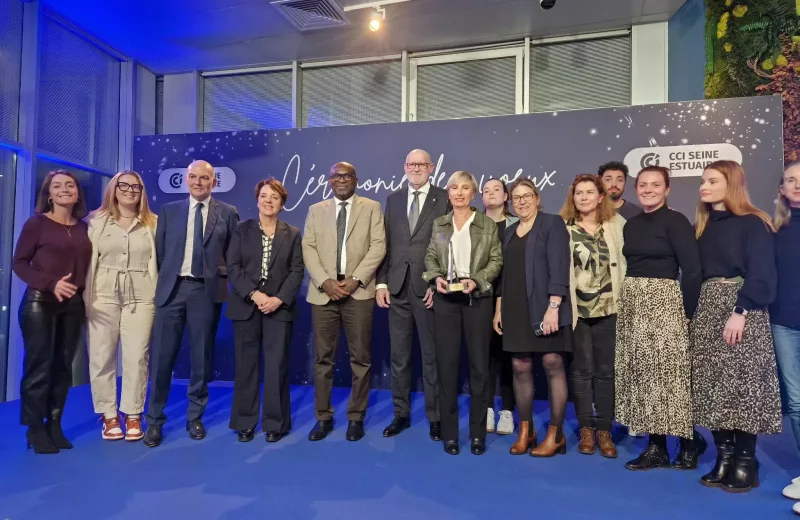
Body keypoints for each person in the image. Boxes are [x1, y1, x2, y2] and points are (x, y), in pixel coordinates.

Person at [692, 160, 781, 492]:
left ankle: (746, 462)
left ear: (730, 184)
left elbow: (762, 271)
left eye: (712, 180)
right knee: (713, 385)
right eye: (703, 180)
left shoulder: (753, 223)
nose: (703, 186)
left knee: (742, 388)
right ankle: (724, 457)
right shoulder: (702, 227)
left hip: (743, 309)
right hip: (707, 308)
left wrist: (740, 310)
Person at [143, 160, 240, 447]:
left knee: (201, 358)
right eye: (193, 177)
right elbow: (159, 253)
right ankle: (155, 421)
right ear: (186, 180)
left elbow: (234, 255)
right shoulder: (169, 211)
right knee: (162, 358)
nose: (198, 182)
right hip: (171, 291)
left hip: (205, 294)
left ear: (214, 182)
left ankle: (194, 417)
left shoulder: (228, 213)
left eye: (205, 178)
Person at [615, 166, 705, 471]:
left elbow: (692, 270)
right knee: (644, 375)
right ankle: (657, 447)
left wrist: (689, 312)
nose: (648, 189)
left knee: (670, 375)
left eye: (655, 185)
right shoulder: (631, 224)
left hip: (665, 302)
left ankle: (690, 441)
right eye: (642, 185)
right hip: (633, 301)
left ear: (667, 190)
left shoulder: (676, 221)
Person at [302, 162, 386, 442]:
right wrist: (325, 281)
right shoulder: (316, 210)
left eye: (347, 176)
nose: (342, 180)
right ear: (329, 180)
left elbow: (378, 246)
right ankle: (323, 417)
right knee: (323, 359)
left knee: (360, 359)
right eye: (337, 175)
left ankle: (355, 417)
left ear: (356, 180)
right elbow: (309, 247)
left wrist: (355, 280)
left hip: (358, 292)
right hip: (323, 292)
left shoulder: (371, 207)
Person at [12, 170, 91, 454]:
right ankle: (34, 429)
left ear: (77, 193)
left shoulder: (84, 227)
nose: (64, 189)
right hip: (39, 302)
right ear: (48, 194)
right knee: (39, 367)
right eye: (57, 186)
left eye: (70, 185)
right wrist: (50, 283)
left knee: (62, 368)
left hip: (73, 305)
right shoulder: (36, 224)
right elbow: (19, 263)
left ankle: (54, 424)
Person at [424, 170, 502, 455]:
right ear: (449, 193)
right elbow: (431, 257)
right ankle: (450, 435)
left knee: (480, 369)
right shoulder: (439, 224)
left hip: (477, 300)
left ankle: (478, 434)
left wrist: (477, 280)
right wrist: (435, 278)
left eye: (465, 188)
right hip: (446, 301)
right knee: (446, 368)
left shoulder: (486, 224)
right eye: (454, 187)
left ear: (474, 193)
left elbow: (496, 260)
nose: (459, 192)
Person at [494, 178, 572, 458]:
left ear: (537, 198)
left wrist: (554, 306)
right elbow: (503, 275)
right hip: (514, 308)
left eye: (527, 196)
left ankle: (557, 433)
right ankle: (526, 431)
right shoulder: (509, 231)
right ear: (510, 203)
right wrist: (498, 309)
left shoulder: (552, 224)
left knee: (552, 362)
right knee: (520, 366)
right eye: (516, 197)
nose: (522, 201)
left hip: (546, 305)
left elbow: (560, 267)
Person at [377, 150, 448, 442]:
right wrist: (381, 283)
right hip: (396, 289)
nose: (416, 168)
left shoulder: (443, 198)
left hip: (428, 288)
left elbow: (447, 245)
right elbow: (385, 243)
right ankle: (401, 414)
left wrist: (437, 282)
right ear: (404, 167)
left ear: (431, 168)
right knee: (400, 357)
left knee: (432, 356)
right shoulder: (393, 199)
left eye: (422, 164)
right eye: (411, 164)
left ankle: (435, 417)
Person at [226, 179, 304, 443]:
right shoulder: (241, 230)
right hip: (246, 306)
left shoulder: (292, 233)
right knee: (246, 367)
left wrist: (279, 299)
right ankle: (245, 422)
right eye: (263, 195)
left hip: (279, 310)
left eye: (274, 197)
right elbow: (233, 267)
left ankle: (275, 423)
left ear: (282, 203)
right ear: (257, 199)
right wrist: (255, 294)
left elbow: (296, 270)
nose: (268, 200)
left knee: (276, 367)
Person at [85, 171, 157, 442]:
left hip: (141, 294)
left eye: (135, 186)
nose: (129, 190)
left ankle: (133, 413)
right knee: (101, 356)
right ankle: (108, 415)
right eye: (123, 185)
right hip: (102, 294)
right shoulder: (94, 221)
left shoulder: (153, 223)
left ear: (142, 191)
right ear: (113, 189)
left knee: (137, 356)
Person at [559, 174, 625, 458]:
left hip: (609, 309)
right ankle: (586, 428)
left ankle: (604, 430)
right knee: (581, 371)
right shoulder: (563, 228)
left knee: (605, 371)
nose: (584, 197)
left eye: (590, 192)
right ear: (572, 198)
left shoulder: (616, 226)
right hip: (578, 311)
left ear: (601, 197)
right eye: (579, 193)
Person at [772, 162, 800, 511]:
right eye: (791, 180)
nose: (797, 185)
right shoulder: (775, 229)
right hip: (785, 324)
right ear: (782, 189)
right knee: (796, 402)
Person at [481, 178, 517, 435]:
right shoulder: (473, 223)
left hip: (512, 299)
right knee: (482, 356)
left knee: (508, 356)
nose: (491, 194)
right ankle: (485, 408)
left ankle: (507, 410)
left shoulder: (518, 224)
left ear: (506, 196)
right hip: (479, 297)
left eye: (496, 190)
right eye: (486, 190)